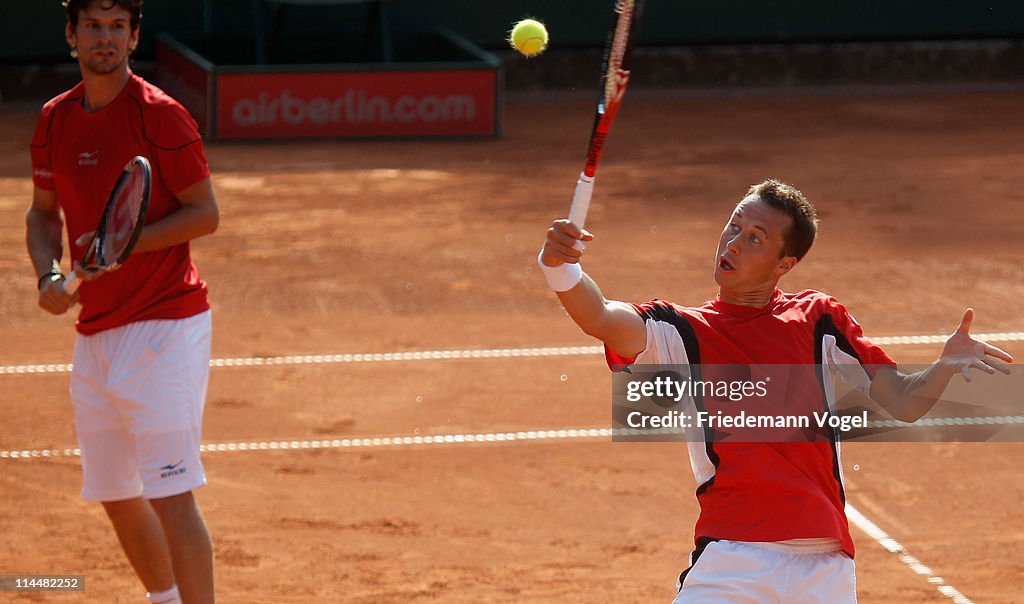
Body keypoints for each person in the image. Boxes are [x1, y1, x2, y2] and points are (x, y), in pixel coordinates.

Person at [538, 179, 1013, 603]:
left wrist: (944, 368)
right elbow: (599, 316)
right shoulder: (680, 331)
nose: (734, 243)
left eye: (755, 239)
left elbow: (903, 402)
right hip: (733, 560)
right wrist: (560, 268)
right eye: (734, 226)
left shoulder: (819, 320)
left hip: (825, 569)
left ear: (785, 263)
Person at [25, 1, 219, 602]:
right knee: (114, 493)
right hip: (96, 332)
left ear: (134, 38)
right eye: (93, 26)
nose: (104, 38)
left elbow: (204, 214)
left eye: (116, 27)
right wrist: (46, 276)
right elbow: (42, 213)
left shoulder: (161, 117)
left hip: (164, 327)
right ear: (71, 35)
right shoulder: (54, 121)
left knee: (169, 493)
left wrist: (124, 247)